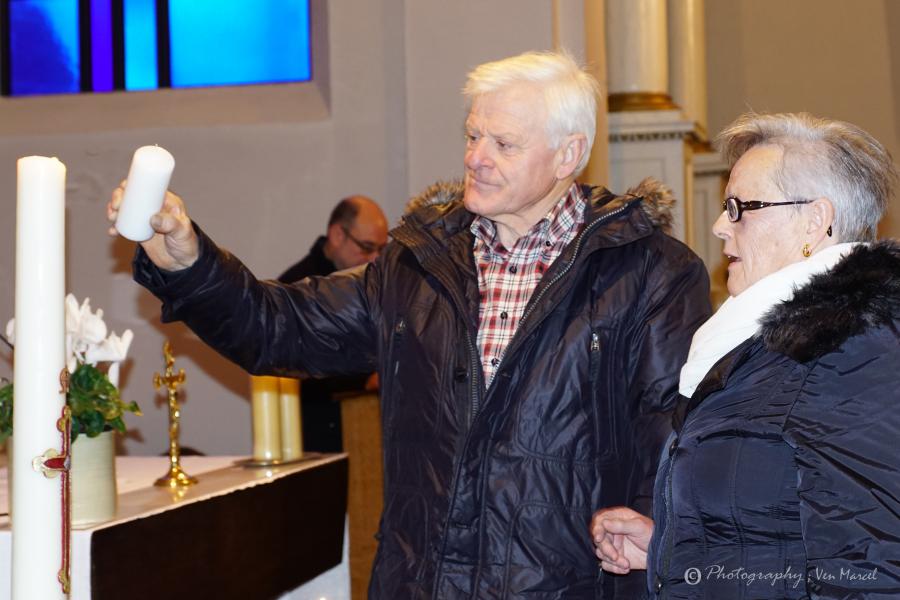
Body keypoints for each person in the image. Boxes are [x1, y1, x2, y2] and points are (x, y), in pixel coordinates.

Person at [109, 51, 711, 598]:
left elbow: (676, 422)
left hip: (568, 583)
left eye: (503, 143)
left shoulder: (650, 271)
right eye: (473, 135)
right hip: (424, 582)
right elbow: (278, 327)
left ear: (569, 155)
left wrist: (654, 523)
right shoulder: (417, 265)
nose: (476, 157)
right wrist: (188, 263)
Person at [591, 112, 900, 599]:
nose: (718, 226)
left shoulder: (854, 350)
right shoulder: (768, 346)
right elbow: (769, 528)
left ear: (815, 220)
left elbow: (870, 563)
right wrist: (670, 550)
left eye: (741, 207)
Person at [278, 195, 388, 452]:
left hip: (365, 431)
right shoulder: (298, 288)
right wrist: (365, 379)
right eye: (367, 246)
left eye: (381, 250)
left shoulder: (373, 283)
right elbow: (298, 365)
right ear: (338, 235)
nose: (375, 259)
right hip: (318, 433)